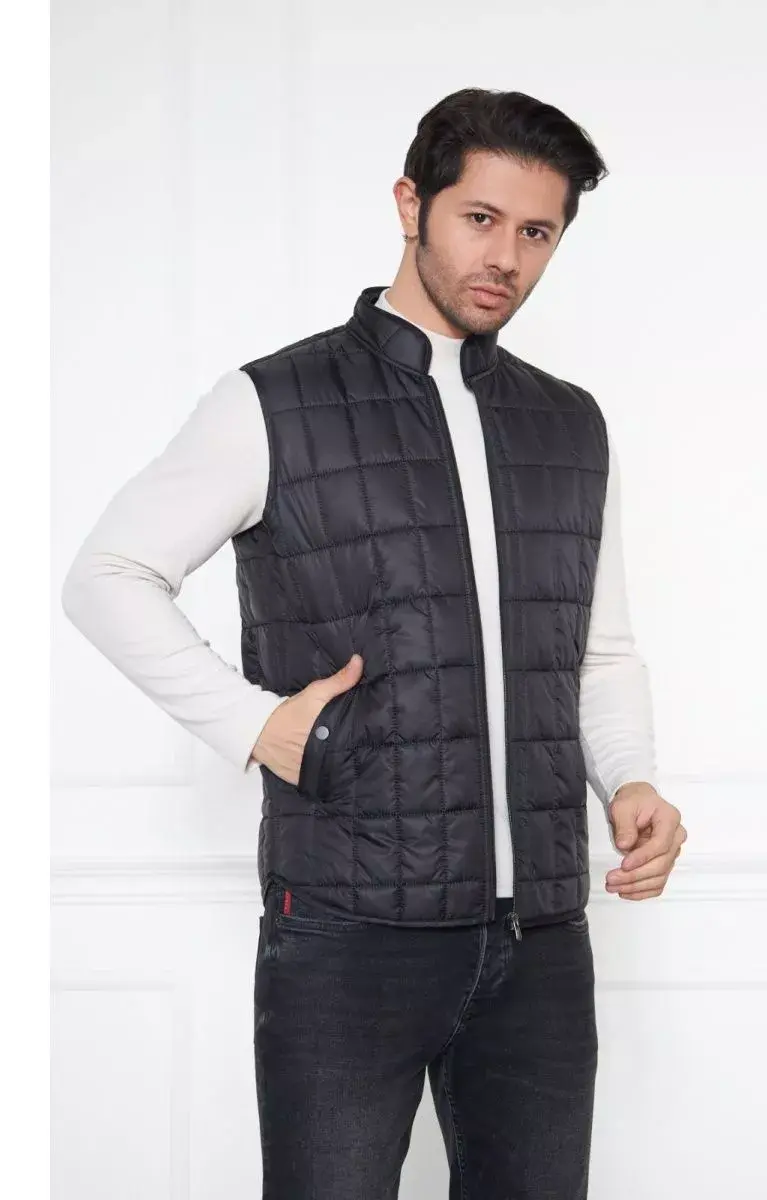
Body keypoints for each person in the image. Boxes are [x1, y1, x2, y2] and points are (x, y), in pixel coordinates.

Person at [62, 87, 686, 1199]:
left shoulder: (570, 424)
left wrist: (630, 776)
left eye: (537, 232)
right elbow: (107, 576)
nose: (506, 257)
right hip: (348, 935)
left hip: (543, 941)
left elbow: (597, 649)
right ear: (412, 204)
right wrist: (256, 726)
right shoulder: (274, 402)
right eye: (480, 218)